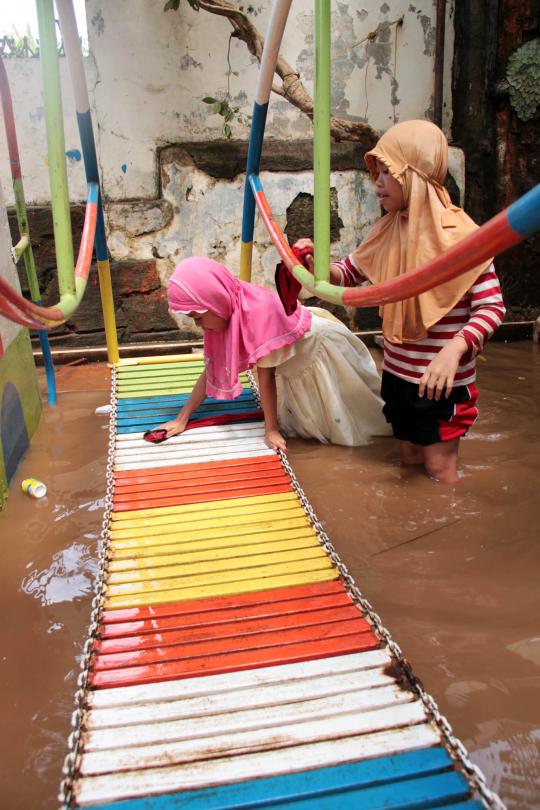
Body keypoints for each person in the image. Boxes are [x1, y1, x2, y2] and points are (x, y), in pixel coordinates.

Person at [294, 119, 506, 483]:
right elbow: (349, 274)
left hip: (443, 382)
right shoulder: (389, 229)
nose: (377, 182)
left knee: (439, 471)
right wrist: (318, 268)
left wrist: (453, 351)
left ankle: (444, 533)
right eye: (376, 172)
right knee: (408, 459)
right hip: (397, 374)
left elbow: (492, 307)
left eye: (387, 172)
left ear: (416, 175)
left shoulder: (464, 237)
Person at [157, 256, 390, 451]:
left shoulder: (258, 316)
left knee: (359, 421)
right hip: (295, 362)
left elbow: (266, 378)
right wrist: (182, 418)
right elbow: (211, 369)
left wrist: (271, 430)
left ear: (216, 301)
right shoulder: (225, 312)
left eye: (198, 317)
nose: (198, 325)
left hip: (321, 353)